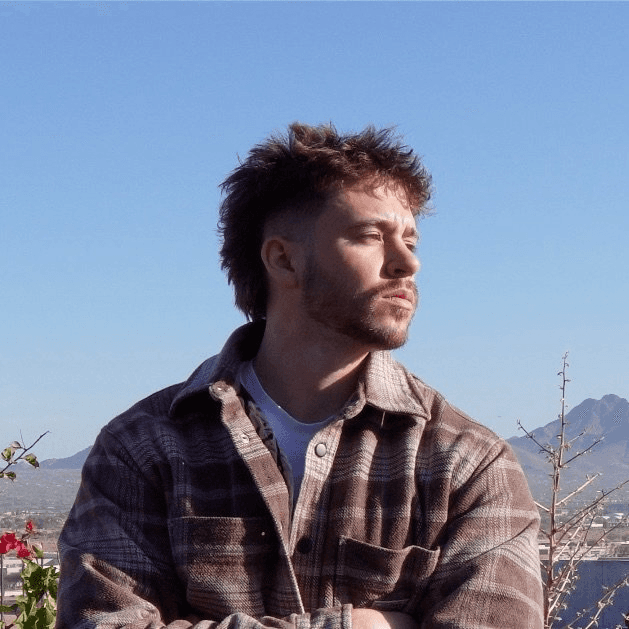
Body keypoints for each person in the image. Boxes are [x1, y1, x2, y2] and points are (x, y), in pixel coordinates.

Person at [56, 123, 543, 629]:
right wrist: (361, 626)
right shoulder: (144, 449)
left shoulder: (465, 463)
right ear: (283, 259)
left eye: (410, 240)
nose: (408, 263)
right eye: (371, 236)